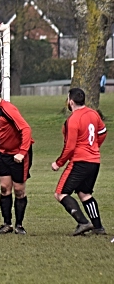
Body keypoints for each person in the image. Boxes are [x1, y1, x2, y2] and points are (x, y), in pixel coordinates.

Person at [51, 88, 107, 236]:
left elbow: (69, 147)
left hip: (79, 161)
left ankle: (83, 222)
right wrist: (93, 147)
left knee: (61, 193)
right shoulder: (93, 114)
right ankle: (98, 227)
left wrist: (58, 163)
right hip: (94, 161)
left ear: (70, 101)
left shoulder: (73, 119)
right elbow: (102, 132)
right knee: (84, 193)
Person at [0, 81, 34, 235]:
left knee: (19, 190)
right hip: (4, 154)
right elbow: (3, 130)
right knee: (5, 188)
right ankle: (6, 224)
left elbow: (26, 129)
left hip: (19, 155)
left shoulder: (8, 109)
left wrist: (22, 152)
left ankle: (19, 225)